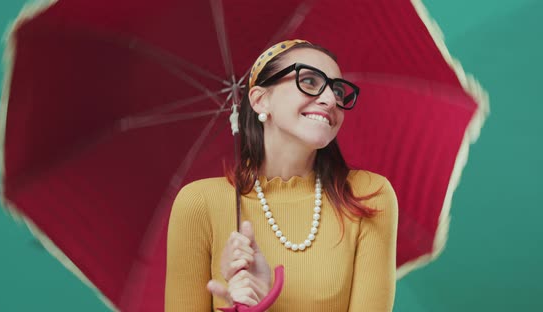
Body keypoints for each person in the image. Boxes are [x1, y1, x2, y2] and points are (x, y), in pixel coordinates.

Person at [164, 39, 398, 311]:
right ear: (261, 100)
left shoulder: (368, 195)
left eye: (337, 90)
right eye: (309, 81)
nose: (330, 99)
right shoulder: (199, 203)